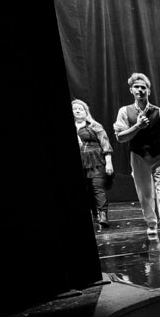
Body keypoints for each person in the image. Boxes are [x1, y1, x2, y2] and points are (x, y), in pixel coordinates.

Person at [113, 72, 160, 242]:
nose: (140, 90)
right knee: (145, 194)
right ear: (131, 90)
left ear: (148, 91)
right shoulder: (125, 111)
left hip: (159, 158)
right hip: (138, 157)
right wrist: (137, 126)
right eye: (137, 87)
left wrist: (159, 148)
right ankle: (151, 223)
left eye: (144, 87)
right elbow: (120, 137)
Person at [72, 99, 114, 231]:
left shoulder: (95, 126)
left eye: (81, 109)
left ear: (86, 112)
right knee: (87, 190)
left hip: (96, 161)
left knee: (98, 189)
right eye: (75, 108)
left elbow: (105, 144)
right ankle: (94, 214)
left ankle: (103, 216)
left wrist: (108, 162)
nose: (78, 110)